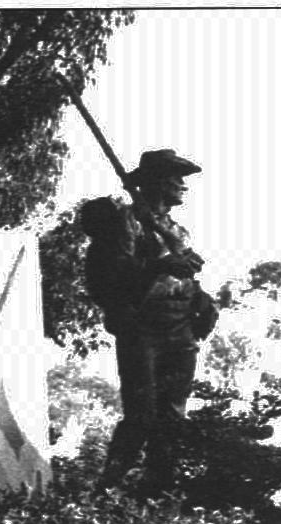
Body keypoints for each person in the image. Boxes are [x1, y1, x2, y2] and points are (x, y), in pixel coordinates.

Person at [81, 149, 218, 487]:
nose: (183, 184)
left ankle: (158, 492)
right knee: (142, 415)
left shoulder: (176, 230)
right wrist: (160, 265)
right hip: (142, 324)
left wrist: (202, 299)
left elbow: (183, 277)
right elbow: (114, 276)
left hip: (180, 324)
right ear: (156, 182)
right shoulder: (125, 223)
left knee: (173, 418)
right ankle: (106, 489)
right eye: (175, 176)